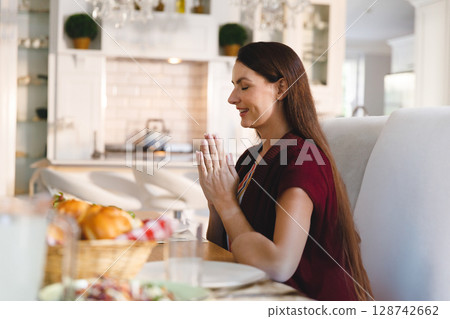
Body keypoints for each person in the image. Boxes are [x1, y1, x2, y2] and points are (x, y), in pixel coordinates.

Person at [195, 42, 372, 301]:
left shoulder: (303, 161)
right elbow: (225, 251)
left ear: (281, 88)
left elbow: (278, 265)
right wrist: (216, 203)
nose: (232, 98)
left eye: (244, 86)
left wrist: (226, 202)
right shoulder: (250, 159)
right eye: (234, 86)